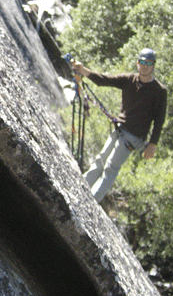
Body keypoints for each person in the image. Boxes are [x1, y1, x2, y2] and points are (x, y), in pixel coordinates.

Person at [70, 48, 167, 203]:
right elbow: (104, 80)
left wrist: (152, 144)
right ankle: (79, 188)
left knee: (111, 167)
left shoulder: (159, 91)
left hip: (134, 136)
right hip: (120, 129)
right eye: (142, 62)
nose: (144, 66)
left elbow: (159, 120)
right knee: (100, 159)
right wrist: (84, 70)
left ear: (154, 66)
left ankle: (91, 201)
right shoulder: (129, 79)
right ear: (137, 63)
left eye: (149, 63)